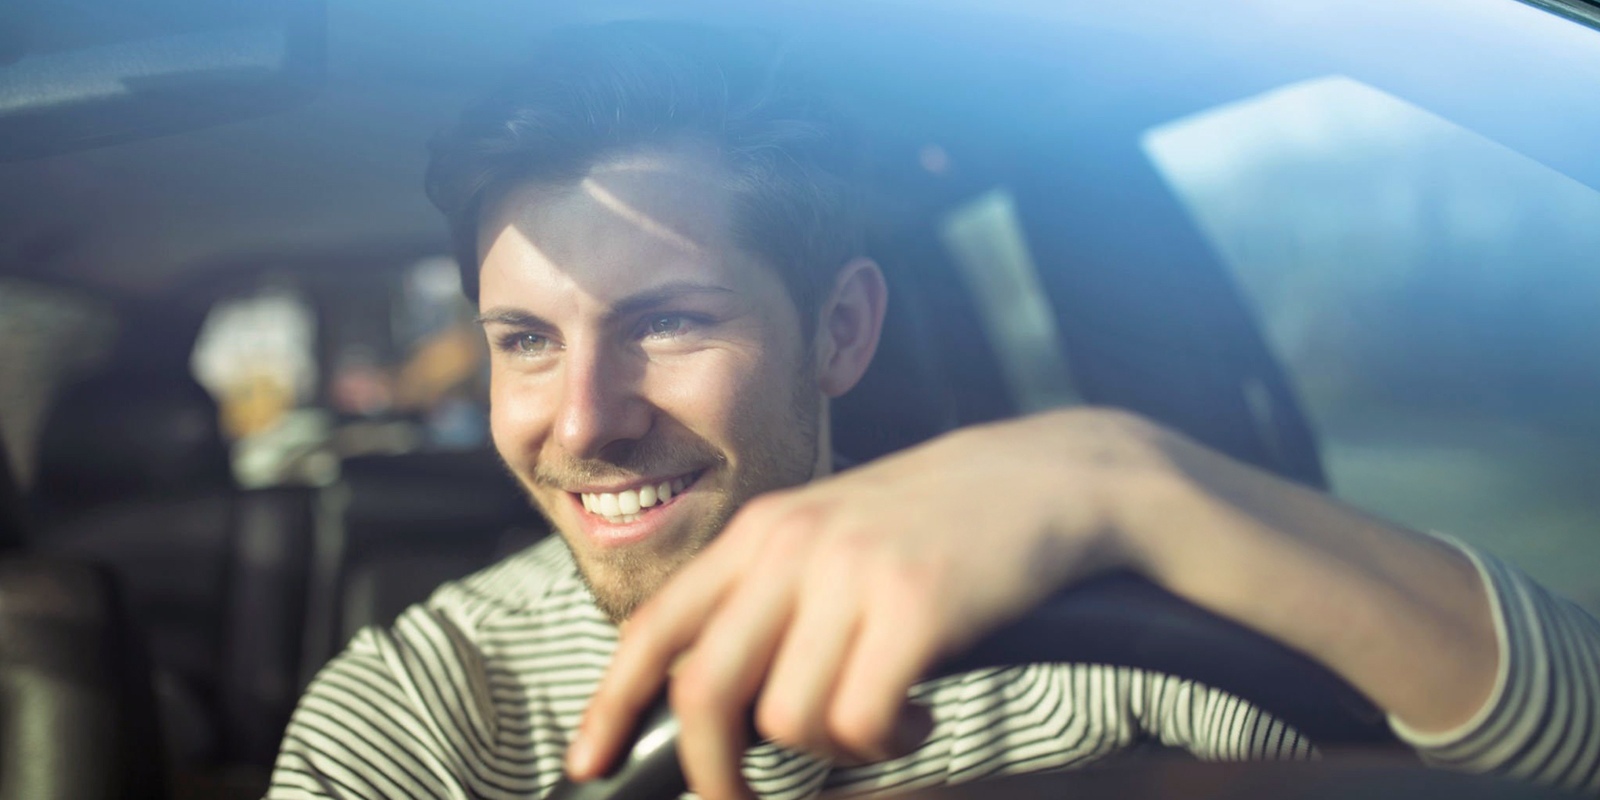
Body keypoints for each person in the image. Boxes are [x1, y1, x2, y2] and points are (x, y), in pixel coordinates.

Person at [266, 23, 1600, 800]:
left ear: (840, 330)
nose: (587, 420)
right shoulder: (417, 713)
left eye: (669, 321)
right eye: (525, 342)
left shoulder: (1106, 636)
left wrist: (1128, 477)